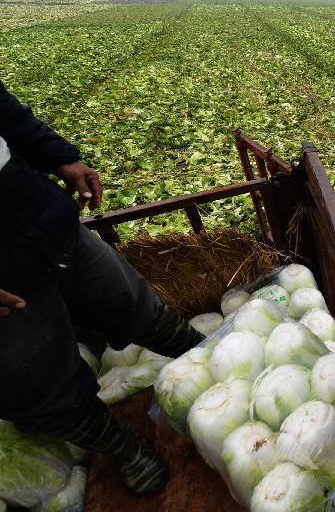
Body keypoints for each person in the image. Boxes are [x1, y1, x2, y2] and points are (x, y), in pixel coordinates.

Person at [0, 81, 205, 495]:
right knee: (38, 385)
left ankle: (214, 365)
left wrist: (60, 157)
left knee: (129, 301)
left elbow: (5, 111)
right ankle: (126, 448)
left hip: (43, 220)